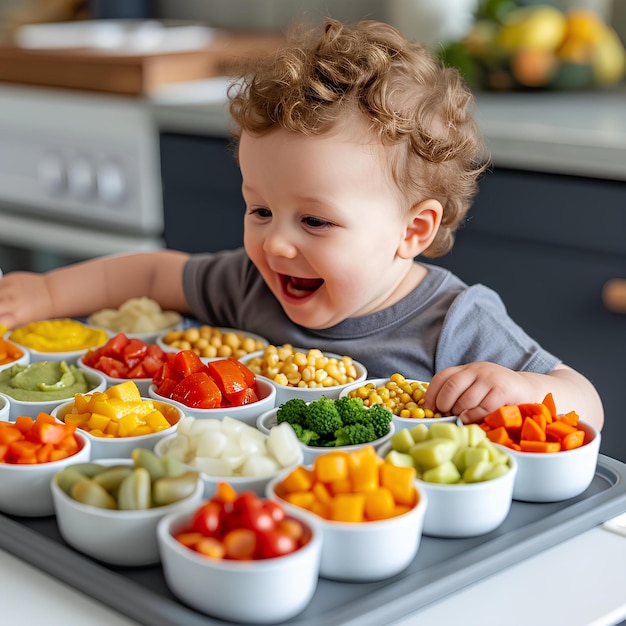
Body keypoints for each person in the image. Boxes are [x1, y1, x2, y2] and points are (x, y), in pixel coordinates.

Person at [0, 18, 603, 429]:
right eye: (259, 209)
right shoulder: (248, 283)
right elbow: (155, 273)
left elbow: (585, 402)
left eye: (315, 220)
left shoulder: (453, 326)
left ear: (412, 232)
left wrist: (521, 392)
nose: (276, 242)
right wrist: (48, 291)